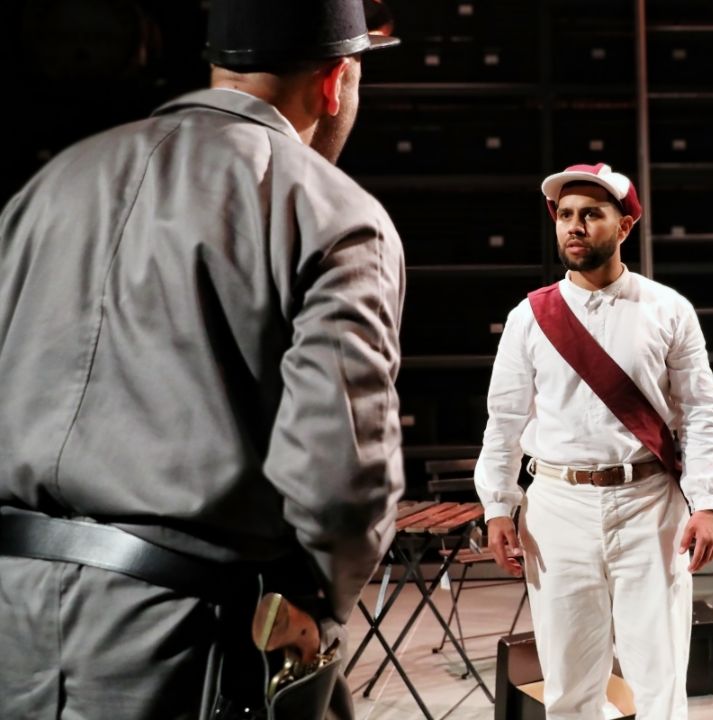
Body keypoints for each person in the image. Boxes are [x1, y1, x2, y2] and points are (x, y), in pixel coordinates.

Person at [0, 1, 405, 717]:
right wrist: (317, 609)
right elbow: (343, 477)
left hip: (12, 618)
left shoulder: (49, 186)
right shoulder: (332, 212)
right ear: (335, 81)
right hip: (184, 639)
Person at [474, 163, 713, 720]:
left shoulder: (668, 309)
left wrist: (708, 502)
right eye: (565, 215)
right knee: (568, 684)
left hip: (648, 503)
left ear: (625, 226)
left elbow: (702, 412)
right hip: (556, 507)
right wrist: (497, 505)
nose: (575, 225)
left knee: (659, 678)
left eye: (591, 214)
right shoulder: (529, 317)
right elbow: (504, 419)